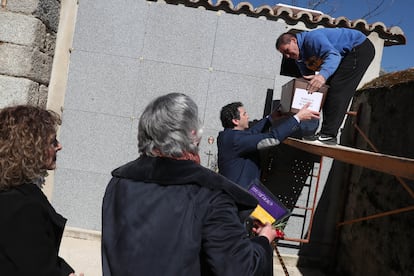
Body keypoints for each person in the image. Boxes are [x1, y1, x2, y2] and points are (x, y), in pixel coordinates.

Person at [102, 93, 278, 276]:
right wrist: (263, 242)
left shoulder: (118, 183)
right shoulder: (211, 195)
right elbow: (241, 270)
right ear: (194, 135)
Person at [0, 105, 83, 276]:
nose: (59, 146)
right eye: (53, 141)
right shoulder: (21, 206)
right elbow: (35, 266)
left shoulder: (15, 194)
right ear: (30, 148)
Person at [276, 28, 375, 144]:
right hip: (344, 56)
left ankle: (329, 135)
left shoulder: (312, 39)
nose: (287, 56)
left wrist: (322, 76)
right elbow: (307, 80)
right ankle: (324, 133)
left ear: (293, 40)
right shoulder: (300, 58)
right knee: (327, 90)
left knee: (338, 88)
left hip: (358, 48)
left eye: (287, 51)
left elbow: (333, 55)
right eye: (284, 54)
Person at [218, 101, 320, 189]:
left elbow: (253, 133)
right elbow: (272, 138)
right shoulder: (236, 140)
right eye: (244, 114)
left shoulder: (229, 136)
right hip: (239, 195)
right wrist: (297, 118)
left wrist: (271, 118)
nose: (248, 116)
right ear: (235, 121)